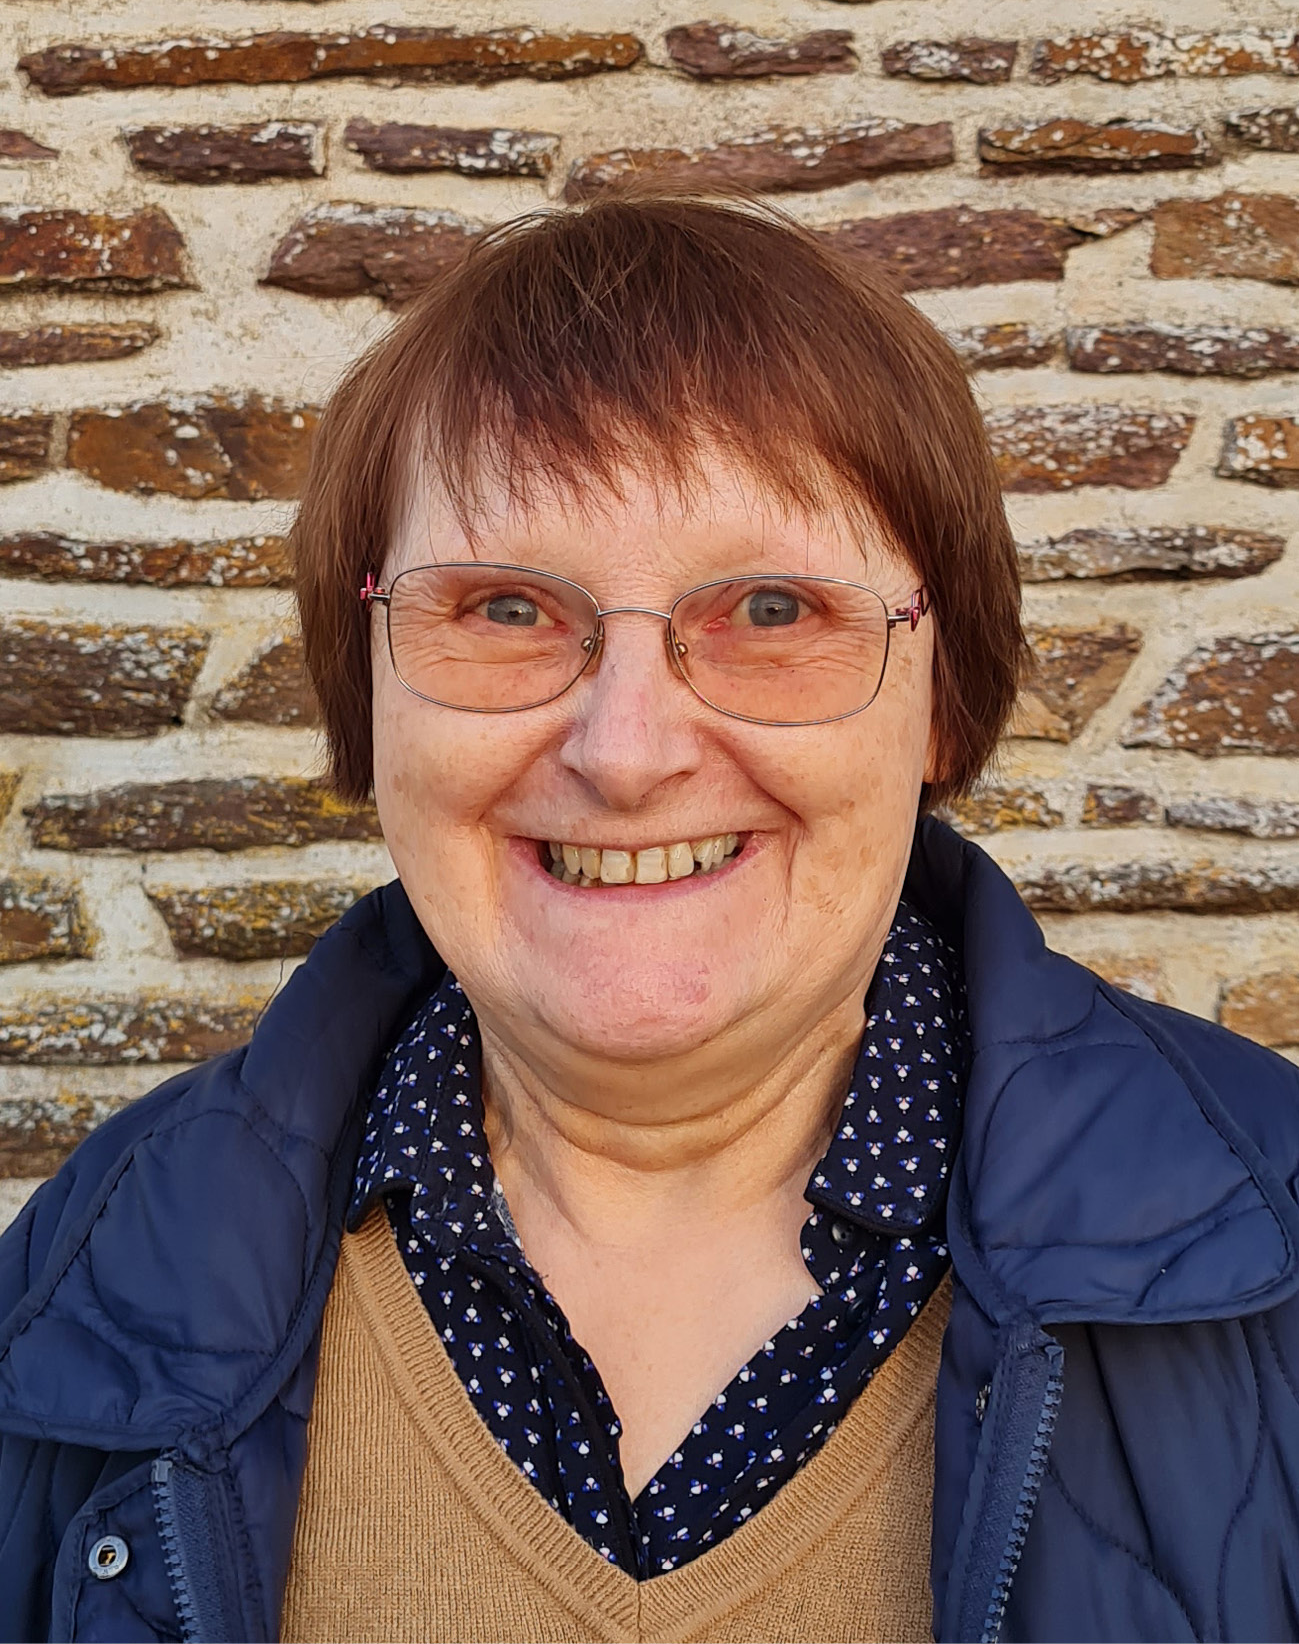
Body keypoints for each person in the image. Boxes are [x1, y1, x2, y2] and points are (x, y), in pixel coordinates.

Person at [3, 191, 1299, 1644]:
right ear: (367, 688)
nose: (626, 752)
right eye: (505, 609)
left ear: (940, 693)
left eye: (771, 611)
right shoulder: (80, 1284)